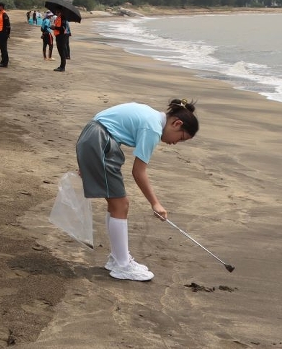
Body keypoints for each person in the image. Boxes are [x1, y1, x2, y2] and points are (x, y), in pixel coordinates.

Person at [76, 99, 199, 281]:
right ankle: (122, 265)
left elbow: (102, 121)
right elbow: (138, 172)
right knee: (121, 205)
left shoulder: (152, 116)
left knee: (116, 204)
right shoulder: (153, 129)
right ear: (176, 123)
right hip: (100, 142)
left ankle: (117, 258)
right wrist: (155, 203)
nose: (175, 143)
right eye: (180, 138)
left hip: (94, 137)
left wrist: (88, 157)